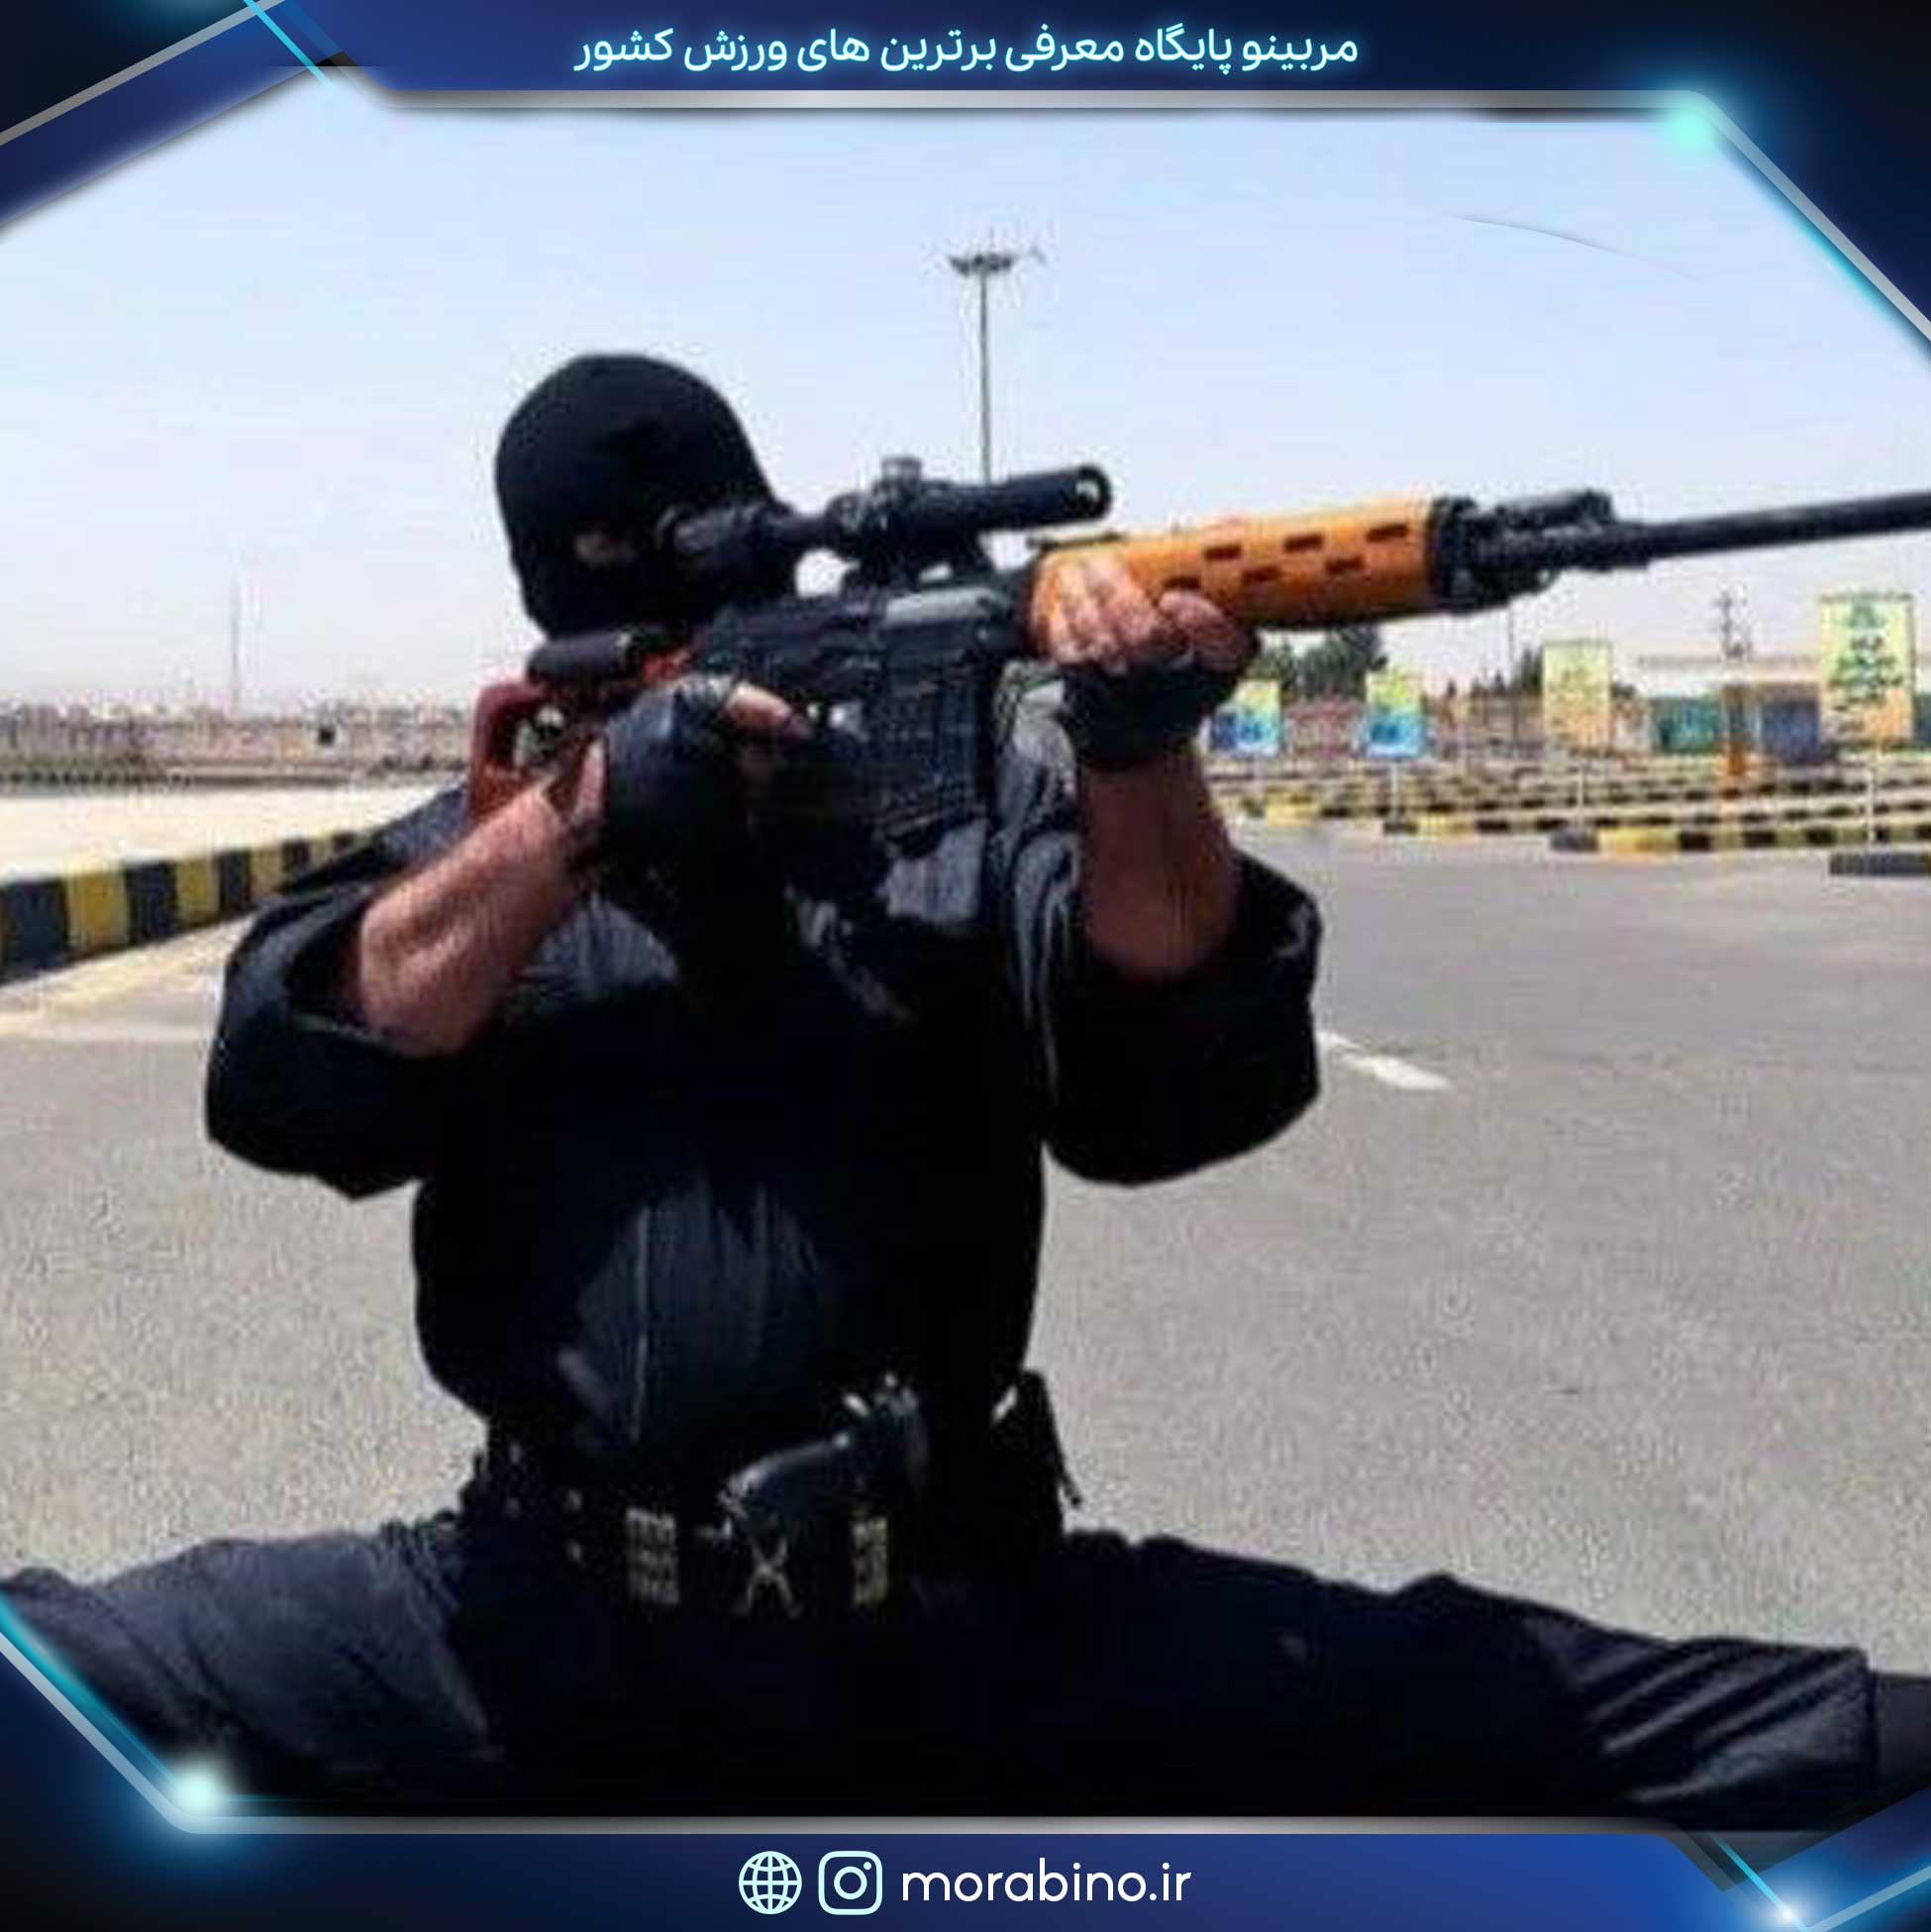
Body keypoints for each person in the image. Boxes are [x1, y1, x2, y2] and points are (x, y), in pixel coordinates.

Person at [2, 354, 1928, 1825]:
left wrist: (1139, 750)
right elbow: (285, 1069)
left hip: (953, 1612)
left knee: (1597, 1714)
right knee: (51, 1677)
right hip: (525, 1617)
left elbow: (1162, 1088)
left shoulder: (949, 815)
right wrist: (590, 818)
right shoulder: (491, 839)